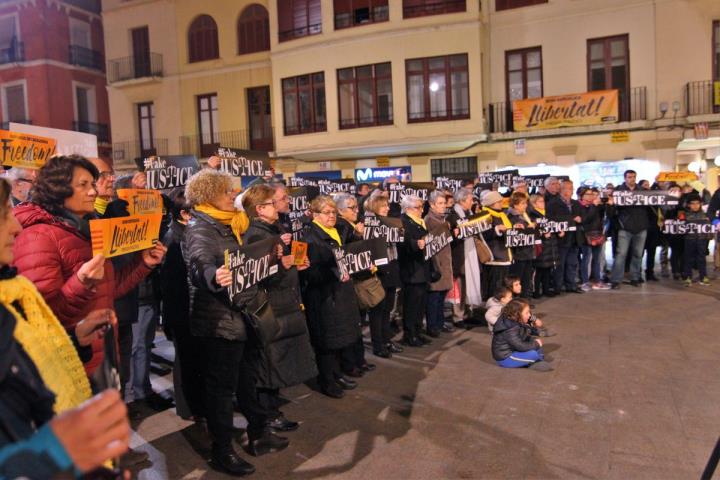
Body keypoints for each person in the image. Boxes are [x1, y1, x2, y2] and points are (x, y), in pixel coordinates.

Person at [0, 176, 131, 478]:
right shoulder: (38, 240)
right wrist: (56, 452)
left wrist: (75, 340)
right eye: (3, 216)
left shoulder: (12, 290)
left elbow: (31, 365)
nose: (15, 227)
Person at [12, 155, 165, 376]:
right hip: (71, 367)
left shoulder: (87, 229)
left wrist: (143, 264)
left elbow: (107, 290)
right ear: (58, 189)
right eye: (83, 185)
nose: (93, 191)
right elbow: (42, 316)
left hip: (103, 354)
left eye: (92, 184)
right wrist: (81, 283)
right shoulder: (37, 237)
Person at [183, 169, 287, 476]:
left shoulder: (230, 224)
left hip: (240, 314)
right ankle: (222, 450)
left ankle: (257, 433)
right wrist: (212, 276)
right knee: (221, 389)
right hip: (219, 320)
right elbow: (199, 260)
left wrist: (270, 259)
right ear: (209, 194)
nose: (234, 195)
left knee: (245, 378)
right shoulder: (201, 228)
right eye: (228, 190)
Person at [242, 184, 317, 432]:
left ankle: (272, 408)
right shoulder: (256, 235)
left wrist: (295, 262)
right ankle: (267, 413)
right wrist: (283, 264)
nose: (280, 205)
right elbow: (256, 275)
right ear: (260, 208)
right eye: (275, 202)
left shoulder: (274, 229)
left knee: (278, 359)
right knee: (269, 361)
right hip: (271, 305)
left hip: (285, 300)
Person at [300, 195, 363, 399]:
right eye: (326, 213)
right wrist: (333, 270)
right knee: (326, 342)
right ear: (315, 215)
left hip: (340, 293)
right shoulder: (308, 238)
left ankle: (337, 374)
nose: (331, 216)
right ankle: (327, 381)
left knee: (340, 338)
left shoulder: (339, 231)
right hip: (323, 297)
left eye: (334, 212)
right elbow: (307, 274)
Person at [160, 190, 204, 421]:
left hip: (190, 309)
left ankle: (195, 402)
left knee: (193, 359)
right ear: (185, 213)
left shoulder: (187, 234)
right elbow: (171, 285)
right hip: (181, 311)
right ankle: (188, 407)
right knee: (184, 360)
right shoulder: (174, 239)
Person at [334, 192, 378, 376]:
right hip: (348, 283)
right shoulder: (342, 226)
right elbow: (346, 250)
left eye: (356, 207)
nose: (356, 211)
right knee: (351, 325)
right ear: (340, 211)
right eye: (352, 208)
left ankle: (359, 360)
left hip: (358, 279)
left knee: (357, 323)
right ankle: (351, 363)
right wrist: (357, 235)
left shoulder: (352, 225)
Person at [363, 192, 404, 357]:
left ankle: (386, 340)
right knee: (377, 311)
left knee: (387, 309)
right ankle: (378, 345)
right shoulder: (369, 225)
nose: (388, 208)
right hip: (378, 271)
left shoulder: (389, 223)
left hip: (391, 267)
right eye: (384, 205)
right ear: (375, 207)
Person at [398, 194, 432, 347]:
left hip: (422, 268)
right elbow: (403, 243)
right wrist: (415, 244)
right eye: (418, 207)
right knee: (411, 305)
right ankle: (409, 334)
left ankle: (417, 331)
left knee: (420, 305)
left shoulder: (420, 222)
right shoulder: (403, 222)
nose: (421, 210)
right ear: (408, 208)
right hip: (412, 270)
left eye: (422, 207)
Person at [446, 188, 483, 327]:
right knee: (460, 287)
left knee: (469, 285)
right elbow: (450, 238)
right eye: (470, 200)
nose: (472, 202)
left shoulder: (470, 213)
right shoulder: (453, 215)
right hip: (460, 257)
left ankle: (468, 313)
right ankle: (458, 316)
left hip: (470, 254)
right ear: (462, 201)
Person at [608, 170, 648, 289]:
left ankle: (635, 277)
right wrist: (610, 204)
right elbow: (611, 211)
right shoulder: (618, 191)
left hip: (641, 226)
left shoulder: (643, 191)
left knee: (638, 254)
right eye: (629, 177)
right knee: (621, 254)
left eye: (634, 177)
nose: (632, 179)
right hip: (624, 227)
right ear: (625, 178)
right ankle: (616, 279)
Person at [491, 300, 552, 372]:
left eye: (529, 312)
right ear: (517, 314)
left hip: (515, 348)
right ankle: (535, 361)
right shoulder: (510, 329)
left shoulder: (515, 318)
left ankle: (536, 360)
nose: (529, 315)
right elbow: (520, 346)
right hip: (506, 357)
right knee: (533, 353)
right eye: (527, 313)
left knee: (533, 341)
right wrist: (536, 344)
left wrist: (534, 320)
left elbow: (530, 325)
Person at [424, 190, 453, 338]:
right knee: (434, 297)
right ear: (432, 205)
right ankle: (432, 325)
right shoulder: (429, 220)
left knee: (441, 297)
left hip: (445, 263)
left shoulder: (442, 219)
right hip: (437, 264)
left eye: (444, 203)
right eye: (440, 204)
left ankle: (439, 323)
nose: (443, 206)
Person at [547, 179, 584, 294]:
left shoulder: (576, 203)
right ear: (560, 190)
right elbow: (551, 219)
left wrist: (580, 219)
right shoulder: (553, 203)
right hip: (562, 238)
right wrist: (570, 220)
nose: (568, 191)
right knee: (560, 264)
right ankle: (558, 286)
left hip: (575, 237)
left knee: (572, 263)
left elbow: (583, 217)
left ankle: (571, 285)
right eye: (565, 188)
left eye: (570, 188)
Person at [479, 191, 513, 301]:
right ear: (492, 203)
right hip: (494, 256)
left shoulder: (502, 214)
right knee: (495, 285)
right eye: (499, 202)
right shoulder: (485, 215)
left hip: (504, 253)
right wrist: (497, 229)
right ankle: (493, 306)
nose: (502, 203)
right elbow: (484, 234)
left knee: (502, 284)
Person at [578, 187, 610, 291]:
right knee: (587, 258)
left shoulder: (597, 205)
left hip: (598, 234)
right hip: (585, 235)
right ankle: (585, 282)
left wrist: (608, 204)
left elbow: (607, 215)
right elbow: (585, 219)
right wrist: (593, 206)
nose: (591, 196)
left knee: (597, 259)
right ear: (582, 196)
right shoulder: (579, 206)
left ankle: (597, 281)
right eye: (588, 194)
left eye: (592, 194)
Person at [506, 191, 536, 298]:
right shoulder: (510, 216)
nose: (526, 205)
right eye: (523, 203)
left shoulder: (524, 215)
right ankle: (516, 300)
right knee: (518, 278)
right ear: (515, 204)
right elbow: (510, 233)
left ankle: (524, 299)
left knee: (526, 278)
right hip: (518, 253)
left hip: (527, 251)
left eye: (526, 203)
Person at [528, 194, 559, 298]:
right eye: (540, 201)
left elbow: (553, 226)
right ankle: (536, 291)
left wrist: (559, 231)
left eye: (543, 201)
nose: (543, 203)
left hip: (550, 245)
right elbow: (532, 231)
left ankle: (546, 289)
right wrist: (542, 234)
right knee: (539, 270)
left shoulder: (547, 214)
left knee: (547, 269)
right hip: (540, 246)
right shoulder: (532, 215)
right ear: (533, 203)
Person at [682, 192, 711, 286]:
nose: (695, 206)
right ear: (689, 205)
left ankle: (703, 276)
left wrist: (708, 238)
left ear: (700, 204)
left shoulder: (705, 215)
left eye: (697, 203)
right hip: (689, 239)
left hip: (702, 239)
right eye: (692, 203)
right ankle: (688, 277)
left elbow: (709, 228)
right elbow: (679, 227)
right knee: (688, 258)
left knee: (701, 258)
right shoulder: (684, 215)